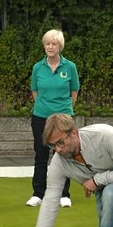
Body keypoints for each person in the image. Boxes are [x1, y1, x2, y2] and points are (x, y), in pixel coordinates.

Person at [26, 29, 80, 208]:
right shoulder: (37, 67)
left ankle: (64, 194)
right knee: (41, 155)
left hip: (63, 118)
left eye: (54, 44)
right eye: (47, 43)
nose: (50, 47)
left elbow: (74, 92)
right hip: (40, 117)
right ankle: (38, 193)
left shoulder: (70, 67)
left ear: (60, 46)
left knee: (64, 154)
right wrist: (45, 109)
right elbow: (35, 91)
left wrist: (64, 112)